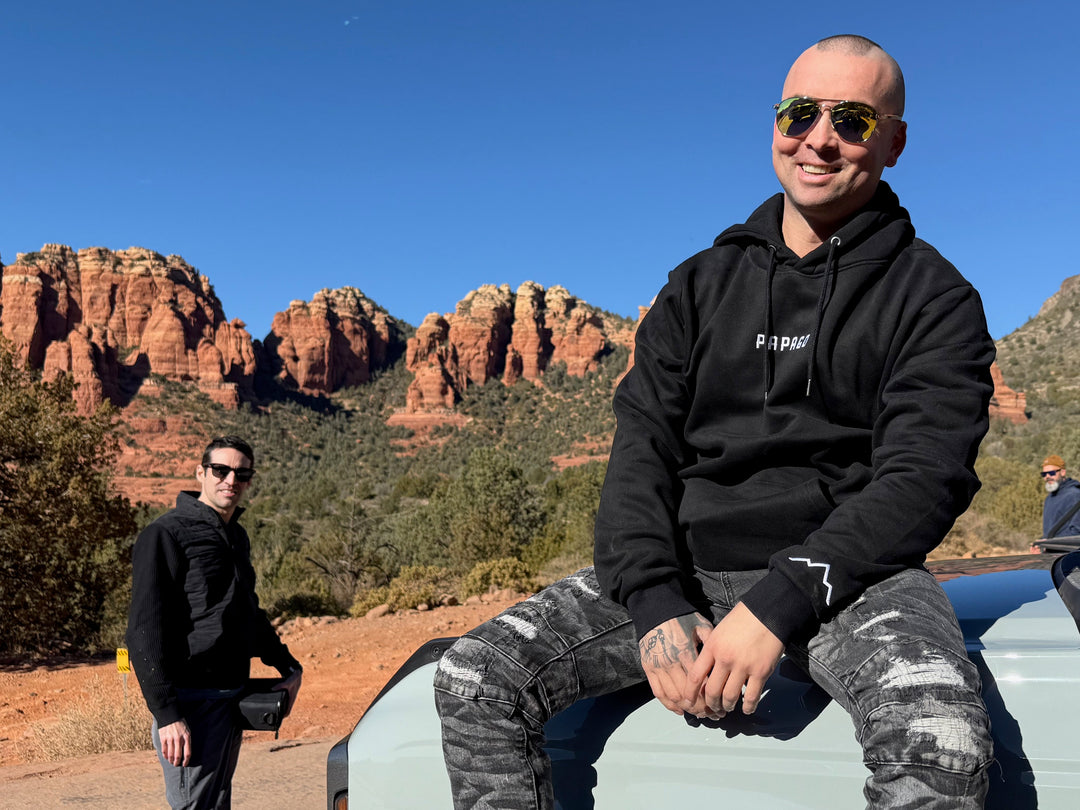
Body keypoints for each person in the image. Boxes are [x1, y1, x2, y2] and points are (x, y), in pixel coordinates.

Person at [434, 34, 996, 809]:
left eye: (854, 121)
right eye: (800, 113)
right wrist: (657, 603)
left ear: (893, 142)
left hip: (847, 580)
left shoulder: (934, 297)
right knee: (473, 677)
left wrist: (781, 601)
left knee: (941, 739)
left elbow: (924, 477)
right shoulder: (698, 285)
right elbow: (641, 450)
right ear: (775, 125)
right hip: (688, 567)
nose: (820, 138)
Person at [127, 435, 302, 810]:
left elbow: (247, 612)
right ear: (200, 473)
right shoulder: (165, 534)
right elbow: (144, 630)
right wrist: (167, 714)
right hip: (190, 702)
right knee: (195, 805)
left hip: (229, 696)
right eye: (220, 470)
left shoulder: (235, 536)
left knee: (216, 801)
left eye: (241, 473)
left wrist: (286, 664)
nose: (230, 480)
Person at [1040, 454, 1080, 540]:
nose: (1047, 477)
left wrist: (1049, 543)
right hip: (1051, 551)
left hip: (1068, 552)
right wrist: (1040, 543)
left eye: (1051, 473)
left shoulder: (1074, 495)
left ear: (1063, 472)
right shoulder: (1049, 498)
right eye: (1044, 474)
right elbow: (1051, 532)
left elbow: (1077, 531)